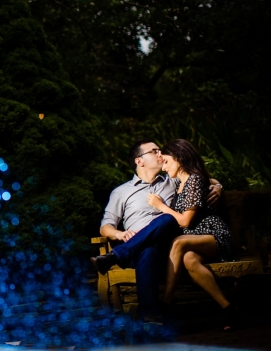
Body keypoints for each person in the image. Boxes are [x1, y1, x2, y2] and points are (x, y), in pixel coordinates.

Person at [90, 139, 223, 320]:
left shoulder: (172, 179)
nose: (160, 154)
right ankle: (151, 317)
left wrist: (217, 186)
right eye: (154, 151)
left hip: (169, 249)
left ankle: (115, 256)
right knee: (148, 250)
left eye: (160, 151)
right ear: (139, 160)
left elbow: (198, 178)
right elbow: (105, 226)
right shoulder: (121, 192)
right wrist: (119, 234)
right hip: (138, 252)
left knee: (167, 218)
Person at [146, 139, 237, 330]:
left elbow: (185, 221)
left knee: (178, 243)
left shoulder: (194, 179)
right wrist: (217, 184)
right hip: (195, 241)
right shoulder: (181, 182)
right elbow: (210, 180)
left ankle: (166, 303)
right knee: (189, 260)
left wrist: (161, 206)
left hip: (214, 235)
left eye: (167, 162)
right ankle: (227, 307)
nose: (164, 168)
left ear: (179, 158)